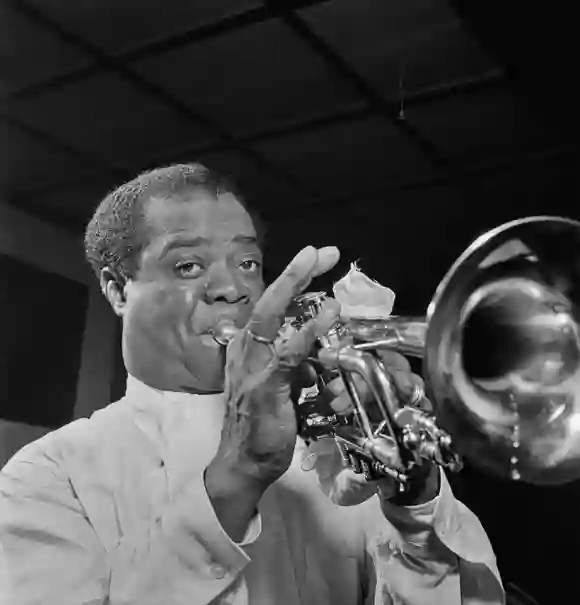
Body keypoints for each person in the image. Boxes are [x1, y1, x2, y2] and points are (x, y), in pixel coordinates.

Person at [0, 163, 504, 605]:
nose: (232, 289)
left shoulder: (335, 447)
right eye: (188, 265)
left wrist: (413, 493)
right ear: (116, 288)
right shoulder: (48, 476)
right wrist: (241, 469)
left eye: (248, 264)